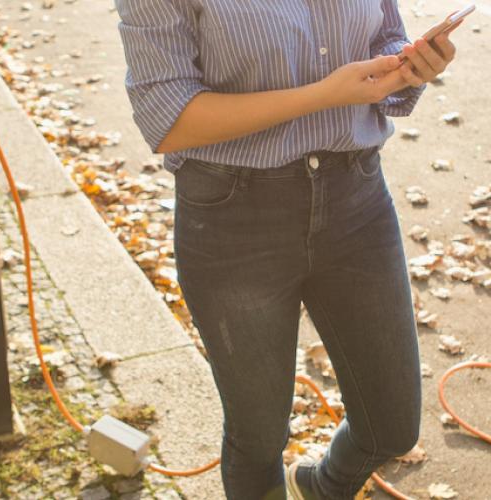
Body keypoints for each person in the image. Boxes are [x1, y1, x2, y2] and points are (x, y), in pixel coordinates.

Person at [114, 1, 459, 498]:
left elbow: (384, 33)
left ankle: (319, 489)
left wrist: (408, 66)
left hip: (356, 197)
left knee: (392, 428)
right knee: (258, 438)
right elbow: (167, 119)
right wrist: (324, 95)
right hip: (234, 217)